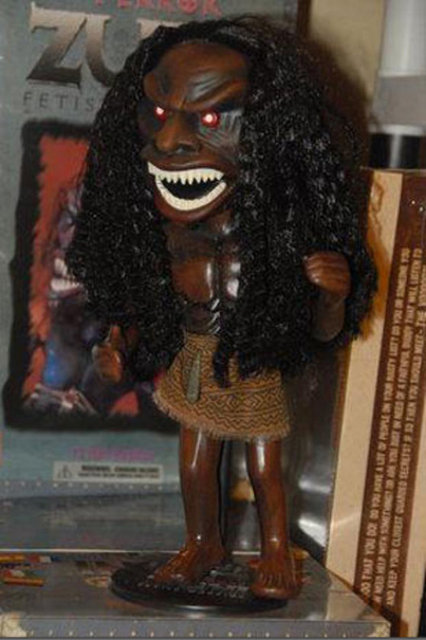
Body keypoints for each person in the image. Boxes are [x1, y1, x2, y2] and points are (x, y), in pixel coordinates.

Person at [67, 17, 376, 599]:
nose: (168, 142)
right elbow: (144, 302)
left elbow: (321, 333)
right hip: (194, 359)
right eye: (160, 112)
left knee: (264, 469)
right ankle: (201, 544)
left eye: (211, 119)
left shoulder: (278, 236)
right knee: (193, 465)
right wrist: (119, 345)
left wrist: (332, 294)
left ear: (272, 132)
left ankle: (275, 551)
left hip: (252, 362)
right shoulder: (164, 236)